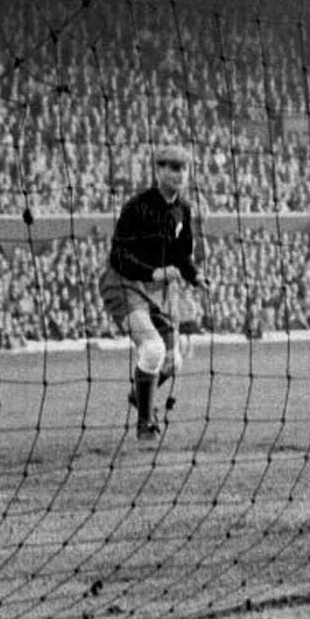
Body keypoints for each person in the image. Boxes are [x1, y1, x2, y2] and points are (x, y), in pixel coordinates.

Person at [98, 143, 204, 440]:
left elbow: (182, 255)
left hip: (158, 291)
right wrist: (153, 272)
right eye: (173, 167)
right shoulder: (136, 206)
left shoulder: (184, 209)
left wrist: (195, 276)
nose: (179, 174)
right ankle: (145, 425)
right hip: (125, 282)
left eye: (183, 168)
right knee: (152, 349)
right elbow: (119, 255)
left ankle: (140, 394)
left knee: (173, 361)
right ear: (158, 170)